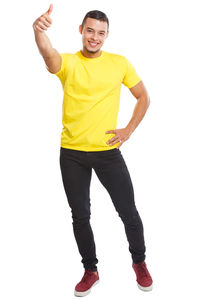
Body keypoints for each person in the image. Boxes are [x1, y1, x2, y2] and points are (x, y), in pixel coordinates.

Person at [33, 3, 153, 297]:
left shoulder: (119, 63)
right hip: (72, 152)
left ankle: (140, 262)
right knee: (80, 215)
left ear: (106, 35)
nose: (94, 37)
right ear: (81, 31)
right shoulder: (69, 63)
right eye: (90, 31)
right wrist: (38, 33)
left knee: (128, 212)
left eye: (100, 33)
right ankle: (90, 270)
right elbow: (49, 57)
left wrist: (127, 130)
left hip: (107, 152)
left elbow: (142, 97)